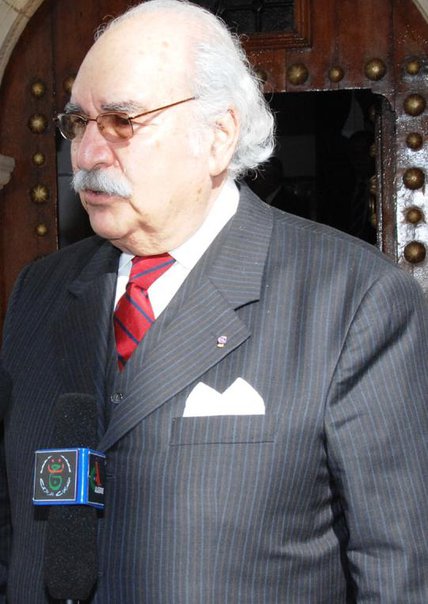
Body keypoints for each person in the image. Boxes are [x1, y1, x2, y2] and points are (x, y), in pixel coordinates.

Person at [1, 1, 427, 601]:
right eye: (79, 123)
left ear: (218, 136)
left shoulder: (355, 302)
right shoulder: (39, 291)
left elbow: (400, 574)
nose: (89, 154)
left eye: (121, 121)